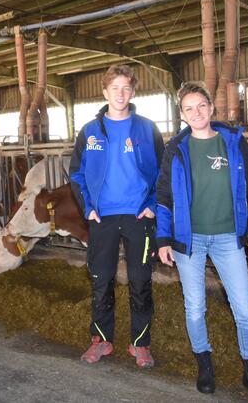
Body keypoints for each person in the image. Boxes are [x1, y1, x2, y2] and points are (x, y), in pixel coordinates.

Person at [156, 82, 248, 401]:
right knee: (195, 306)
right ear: (182, 115)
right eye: (188, 108)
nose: (196, 113)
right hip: (189, 240)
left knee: (245, 310)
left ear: (211, 108)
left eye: (201, 106)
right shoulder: (176, 149)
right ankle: (204, 364)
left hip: (228, 238)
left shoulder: (234, 143)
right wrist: (163, 238)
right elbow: (164, 197)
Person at [69, 64, 164, 368]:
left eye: (126, 88)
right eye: (115, 88)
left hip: (139, 216)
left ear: (133, 92)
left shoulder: (147, 128)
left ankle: (140, 343)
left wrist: (153, 204)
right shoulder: (90, 131)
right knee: (100, 280)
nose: (121, 93)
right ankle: (101, 340)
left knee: (140, 281)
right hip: (103, 217)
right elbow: (76, 174)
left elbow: (163, 172)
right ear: (105, 91)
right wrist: (88, 207)